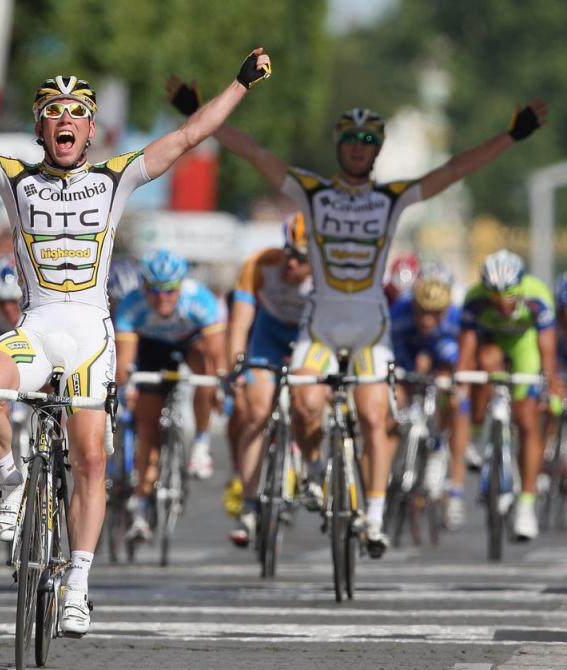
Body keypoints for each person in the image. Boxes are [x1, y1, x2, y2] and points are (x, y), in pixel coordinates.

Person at [0, 37, 271, 635]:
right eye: (53, 113)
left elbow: (191, 136)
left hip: (89, 335)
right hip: (35, 329)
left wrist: (239, 83)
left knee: (90, 459)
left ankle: (79, 585)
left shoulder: (116, 178)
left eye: (78, 114)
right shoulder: (14, 179)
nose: (66, 120)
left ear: (91, 133)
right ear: (40, 129)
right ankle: (9, 481)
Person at [168, 74, 549, 557]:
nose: (358, 147)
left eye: (368, 141)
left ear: (378, 150)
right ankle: (308, 471)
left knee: (372, 414)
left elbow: (453, 170)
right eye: (351, 139)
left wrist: (510, 136)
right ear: (340, 146)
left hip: (371, 326)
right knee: (305, 407)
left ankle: (372, 517)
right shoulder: (313, 192)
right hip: (322, 323)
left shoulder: (391, 199)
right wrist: (198, 112)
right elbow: (254, 152)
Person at [114, 249, 227, 539]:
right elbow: (125, 363)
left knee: (206, 369)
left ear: (180, 287)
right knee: (147, 424)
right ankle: (140, 503)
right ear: (144, 288)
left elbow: (217, 356)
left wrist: (219, 388)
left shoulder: (200, 300)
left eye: (169, 291)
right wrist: (128, 389)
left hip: (190, 345)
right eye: (154, 291)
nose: (162, 298)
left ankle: (200, 444)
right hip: (150, 350)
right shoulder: (131, 305)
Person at [453, 250, 562, 540]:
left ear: (520, 287)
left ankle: (526, 504)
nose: (502, 303)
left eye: (508, 296)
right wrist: (460, 383)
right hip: (493, 346)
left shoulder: (537, 296)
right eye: (495, 297)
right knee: (484, 363)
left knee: (527, 422)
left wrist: (549, 382)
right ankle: (477, 432)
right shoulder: (475, 298)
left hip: (524, 346)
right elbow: (467, 346)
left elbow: (547, 349)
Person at [225, 212, 312, 546]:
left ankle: (311, 467)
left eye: (301, 258)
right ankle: (248, 503)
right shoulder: (260, 265)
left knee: (309, 405)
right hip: (268, 336)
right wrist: (236, 367)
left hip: (307, 338)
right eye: (289, 253)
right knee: (257, 411)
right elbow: (240, 323)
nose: (291, 264)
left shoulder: (326, 276)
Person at [388, 264, 462, 523]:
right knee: (394, 397)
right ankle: (393, 461)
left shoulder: (455, 318)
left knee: (451, 396)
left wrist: (447, 378)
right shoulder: (399, 311)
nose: (427, 320)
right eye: (422, 313)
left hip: (440, 353)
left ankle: (439, 448)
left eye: (435, 314)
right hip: (406, 348)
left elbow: (456, 362)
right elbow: (392, 355)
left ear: (445, 310)